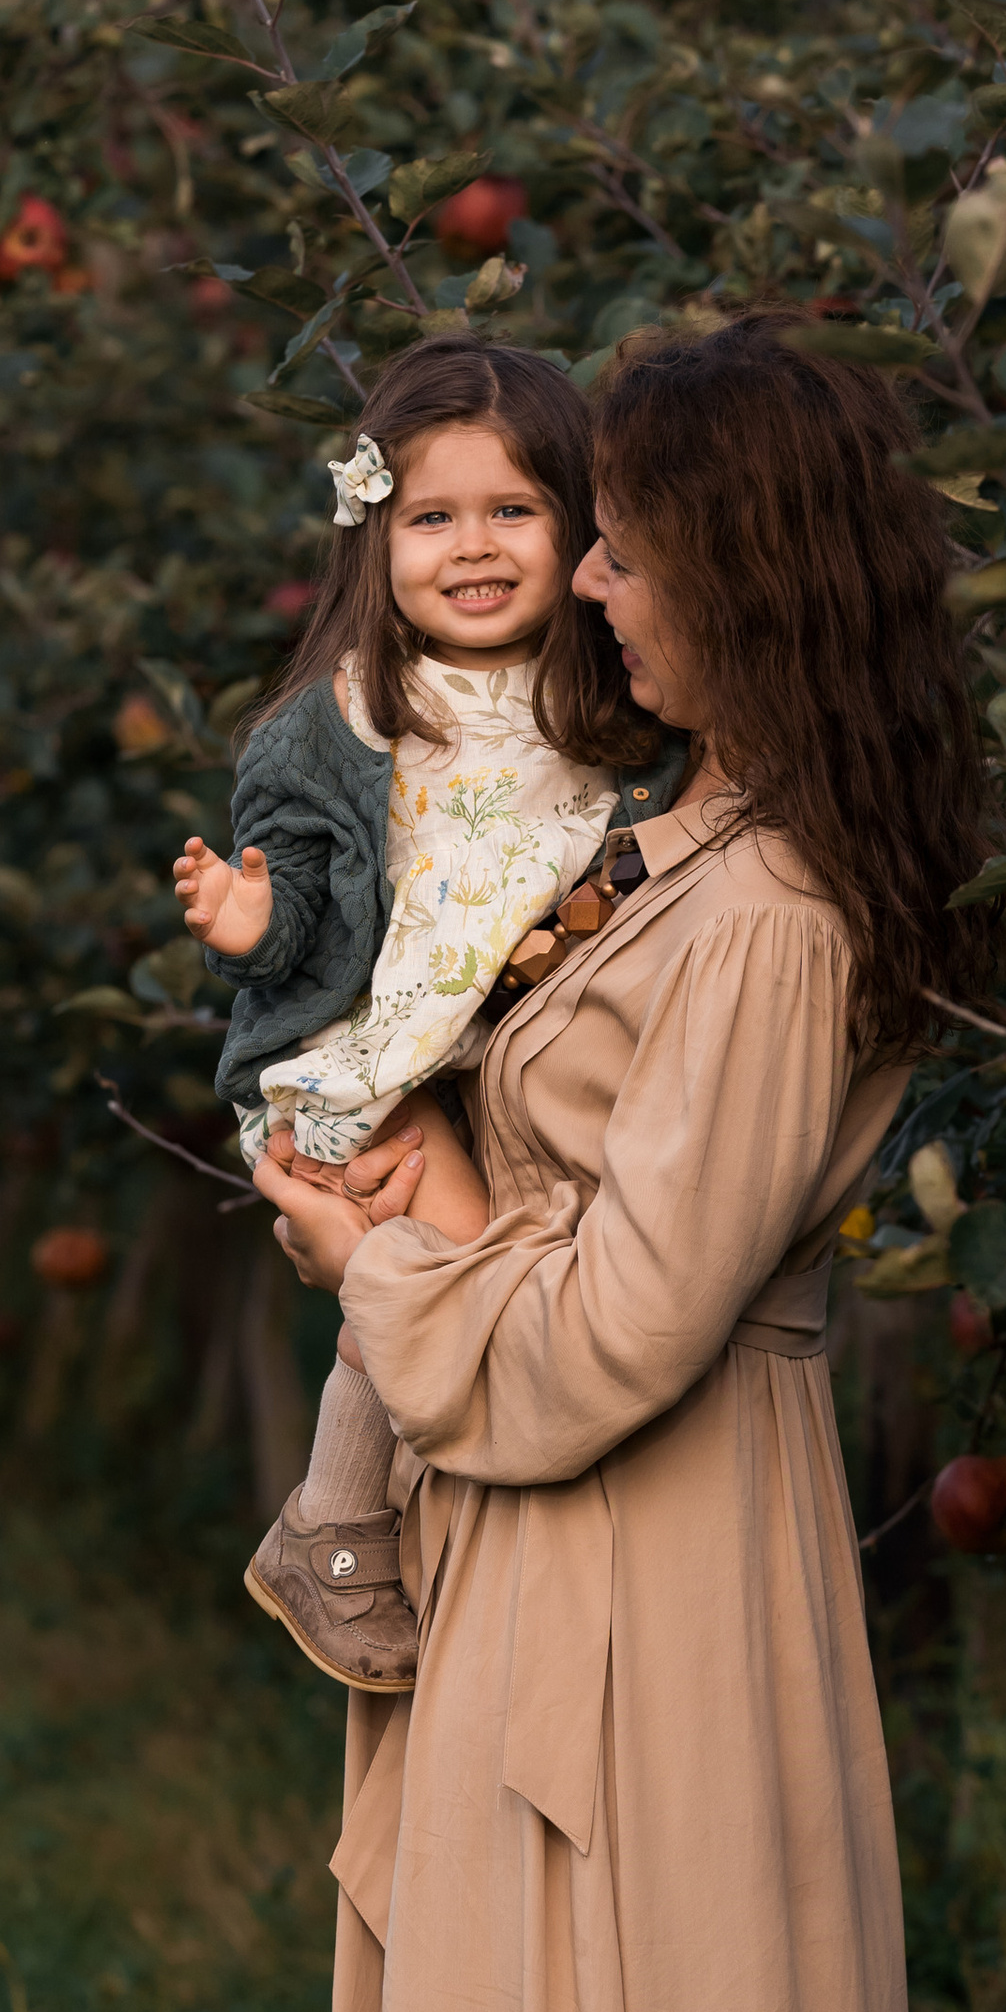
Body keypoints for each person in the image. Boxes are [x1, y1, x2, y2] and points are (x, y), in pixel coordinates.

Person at [257, 316, 992, 2012]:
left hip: (665, 1559)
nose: (586, 573)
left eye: (630, 539)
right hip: (539, 1541)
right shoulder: (673, 856)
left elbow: (610, 1339)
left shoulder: (774, 922)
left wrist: (390, 1253)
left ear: (741, 573)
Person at [170, 341, 656, 1688]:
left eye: (514, 512)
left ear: (579, 525)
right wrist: (254, 926)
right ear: (375, 540)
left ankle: (424, 1543)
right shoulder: (340, 722)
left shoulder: (600, 706)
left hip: (484, 1064)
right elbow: (306, 906)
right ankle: (331, 1528)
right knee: (445, 1282)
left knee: (490, 1288)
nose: (474, 548)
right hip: (363, 1063)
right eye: (432, 519)